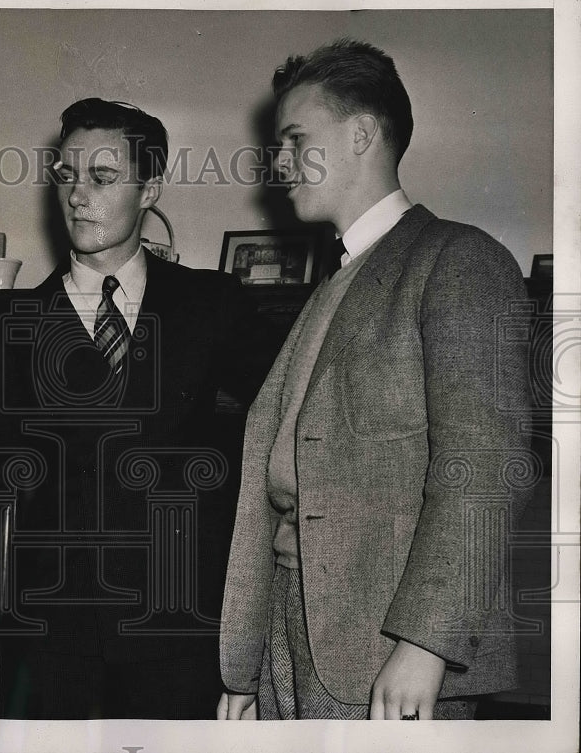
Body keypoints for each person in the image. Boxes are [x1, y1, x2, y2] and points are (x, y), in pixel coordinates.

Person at [0, 98, 262, 718]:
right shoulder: (14, 324)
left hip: (179, 629)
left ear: (150, 186)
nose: (76, 196)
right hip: (56, 638)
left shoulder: (213, 303)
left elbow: (286, 416)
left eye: (100, 178)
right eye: (66, 177)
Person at [217, 39, 533, 721]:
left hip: (386, 655)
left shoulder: (459, 260)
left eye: (296, 139)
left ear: (361, 134)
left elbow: (486, 462)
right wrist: (248, 671)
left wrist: (425, 642)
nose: (279, 163)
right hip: (290, 641)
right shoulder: (334, 283)